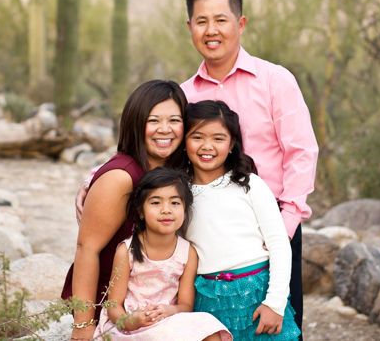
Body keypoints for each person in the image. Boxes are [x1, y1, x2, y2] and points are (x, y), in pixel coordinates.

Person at [182, 0, 319, 339]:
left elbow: (302, 152)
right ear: (190, 27)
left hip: (273, 220)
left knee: (280, 322)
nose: (211, 30)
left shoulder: (275, 80)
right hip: (209, 234)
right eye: (201, 21)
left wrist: (286, 222)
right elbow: (153, 143)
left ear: (240, 24)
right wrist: (96, 179)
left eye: (221, 20)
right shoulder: (183, 95)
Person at [63, 80, 188, 341]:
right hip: (112, 315)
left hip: (155, 312)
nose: (165, 130)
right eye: (153, 121)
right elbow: (87, 249)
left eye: (174, 120)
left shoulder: (169, 172)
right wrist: (82, 328)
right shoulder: (121, 177)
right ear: (135, 122)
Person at [184, 100, 300, 341]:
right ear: (184, 142)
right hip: (207, 298)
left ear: (232, 144)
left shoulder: (249, 185)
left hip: (257, 293)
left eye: (218, 138)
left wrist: (275, 303)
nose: (207, 146)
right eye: (197, 137)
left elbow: (279, 243)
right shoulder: (178, 193)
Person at [96, 167, 232, 341]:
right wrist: (131, 321)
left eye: (175, 203)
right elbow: (113, 305)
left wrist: (171, 310)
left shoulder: (187, 252)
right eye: (155, 202)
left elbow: (186, 304)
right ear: (140, 211)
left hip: (167, 321)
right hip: (131, 326)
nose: (166, 210)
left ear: (185, 209)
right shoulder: (126, 250)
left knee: (209, 328)